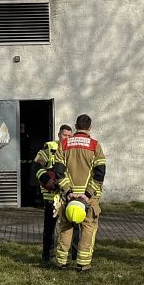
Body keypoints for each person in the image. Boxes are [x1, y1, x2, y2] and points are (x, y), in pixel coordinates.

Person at [52, 114, 106, 273]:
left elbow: (59, 171)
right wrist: (87, 194)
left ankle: (61, 261)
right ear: (90, 128)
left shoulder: (64, 144)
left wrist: (68, 191)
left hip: (68, 196)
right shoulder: (95, 146)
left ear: (76, 126)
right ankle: (83, 264)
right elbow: (100, 172)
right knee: (88, 228)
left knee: (65, 228)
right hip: (89, 198)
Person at [33, 124, 73, 263]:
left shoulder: (73, 149)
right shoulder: (50, 147)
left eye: (69, 136)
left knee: (73, 226)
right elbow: (36, 164)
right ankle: (47, 257)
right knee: (49, 228)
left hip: (68, 194)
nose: (66, 138)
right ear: (59, 135)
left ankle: (73, 256)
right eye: (64, 135)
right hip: (52, 195)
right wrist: (46, 179)